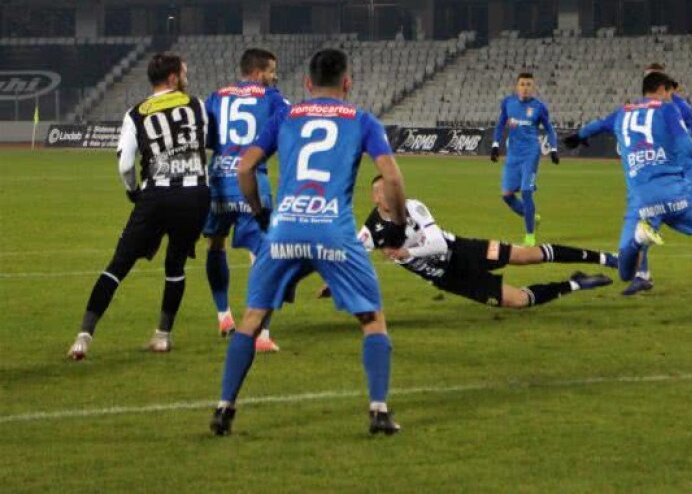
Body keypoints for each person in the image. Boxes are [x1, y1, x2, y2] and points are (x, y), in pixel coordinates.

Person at [210, 49, 406, 436]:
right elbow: (393, 179)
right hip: (333, 230)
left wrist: (261, 213)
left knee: (252, 317)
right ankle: (379, 411)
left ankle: (223, 408)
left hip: (285, 228)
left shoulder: (285, 115)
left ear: (307, 83)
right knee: (372, 319)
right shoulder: (362, 120)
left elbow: (245, 166)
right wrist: (397, 225)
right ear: (347, 83)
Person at [564, 72, 692, 317]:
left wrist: (578, 137)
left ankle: (639, 240)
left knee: (626, 271)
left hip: (641, 202)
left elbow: (597, 125)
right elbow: (686, 145)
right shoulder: (667, 110)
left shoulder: (623, 112)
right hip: (676, 195)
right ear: (662, 89)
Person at [68, 53, 210, 360]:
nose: (186, 77)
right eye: (183, 72)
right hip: (195, 194)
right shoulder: (197, 105)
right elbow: (206, 141)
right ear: (173, 78)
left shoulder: (136, 113)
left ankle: (83, 337)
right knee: (175, 265)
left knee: (118, 265)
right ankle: (162, 335)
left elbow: (124, 165)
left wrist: (134, 193)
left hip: (155, 196)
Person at [332, 176, 615, 308]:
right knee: (518, 301)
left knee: (528, 255)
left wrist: (406, 251)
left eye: (392, 189)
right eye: (381, 192)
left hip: (464, 251)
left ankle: (603, 257)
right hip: (450, 278)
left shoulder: (413, 206)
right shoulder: (371, 230)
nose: (389, 195)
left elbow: (438, 243)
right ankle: (578, 283)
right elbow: (353, 255)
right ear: (375, 198)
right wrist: (333, 283)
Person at [202, 48, 288, 352]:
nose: (274, 77)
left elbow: (206, 138)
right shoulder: (272, 97)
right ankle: (262, 336)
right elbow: (289, 129)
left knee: (215, 242)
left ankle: (223, 315)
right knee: (263, 255)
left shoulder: (215, 97)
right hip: (251, 180)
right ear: (258, 71)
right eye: (271, 71)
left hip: (218, 183)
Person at [620, 64, 692, 297]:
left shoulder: (679, 106)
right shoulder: (641, 110)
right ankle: (643, 276)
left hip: (685, 175)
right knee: (643, 222)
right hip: (660, 178)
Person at [491, 73, 559, 245]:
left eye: (529, 84)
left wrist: (553, 148)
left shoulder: (539, 107)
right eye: (522, 84)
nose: (525, 87)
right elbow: (500, 124)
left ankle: (529, 236)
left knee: (527, 191)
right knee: (507, 195)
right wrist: (494, 144)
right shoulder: (508, 103)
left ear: (533, 87)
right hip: (513, 153)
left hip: (531, 153)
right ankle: (531, 217)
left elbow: (550, 129)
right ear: (517, 86)